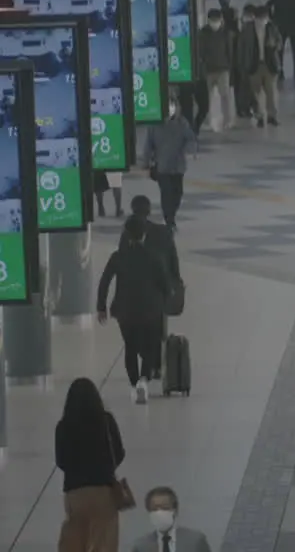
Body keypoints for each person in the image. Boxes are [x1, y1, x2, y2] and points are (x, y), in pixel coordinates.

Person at [98, 216, 171, 404]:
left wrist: (101, 307)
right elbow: (164, 285)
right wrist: (166, 297)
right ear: (144, 234)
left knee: (130, 346)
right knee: (149, 346)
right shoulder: (155, 256)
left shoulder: (117, 257)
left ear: (126, 235)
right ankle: (144, 381)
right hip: (150, 310)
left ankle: (133, 384)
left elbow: (105, 281)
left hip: (125, 311)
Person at [55, 377, 125, 552]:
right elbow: (119, 452)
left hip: (75, 493)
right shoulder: (106, 421)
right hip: (104, 492)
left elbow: (61, 460)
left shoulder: (63, 426)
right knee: (104, 542)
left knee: (75, 541)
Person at [142, 99, 197, 231]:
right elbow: (148, 145)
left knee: (178, 193)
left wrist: (191, 149)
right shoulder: (154, 125)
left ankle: (171, 216)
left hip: (178, 166)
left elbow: (190, 138)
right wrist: (146, 161)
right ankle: (169, 220)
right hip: (162, 167)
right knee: (166, 193)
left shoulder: (182, 123)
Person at [236, 4, 283, 127]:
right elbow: (241, 48)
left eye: (265, 17)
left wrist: (275, 46)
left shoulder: (272, 27)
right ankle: (260, 116)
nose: (263, 20)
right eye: (261, 17)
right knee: (256, 93)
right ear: (255, 17)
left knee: (271, 92)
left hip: (269, 65)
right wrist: (242, 65)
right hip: (253, 64)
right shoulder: (247, 30)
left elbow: (280, 41)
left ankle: (272, 115)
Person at [129, 486, 213, 552]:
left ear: (175, 510)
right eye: (154, 509)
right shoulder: (141, 546)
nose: (159, 513)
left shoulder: (195, 540)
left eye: (165, 508)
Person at [197, 8, 235, 132]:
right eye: (213, 20)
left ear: (221, 20)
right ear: (208, 20)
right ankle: (207, 120)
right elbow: (200, 52)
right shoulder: (203, 33)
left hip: (223, 69)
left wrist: (229, 66)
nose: (215, 23)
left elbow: (230, 51)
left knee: (225, 95)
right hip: (207, 70)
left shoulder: (226, 33)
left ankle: (228, 120)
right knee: (206, 97)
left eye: (217, 20)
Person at [266, 0, 295, 79]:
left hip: (280, 26)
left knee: (279, 50)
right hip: (294, 26)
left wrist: (272, 18)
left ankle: (280, 72)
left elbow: (267, 6)